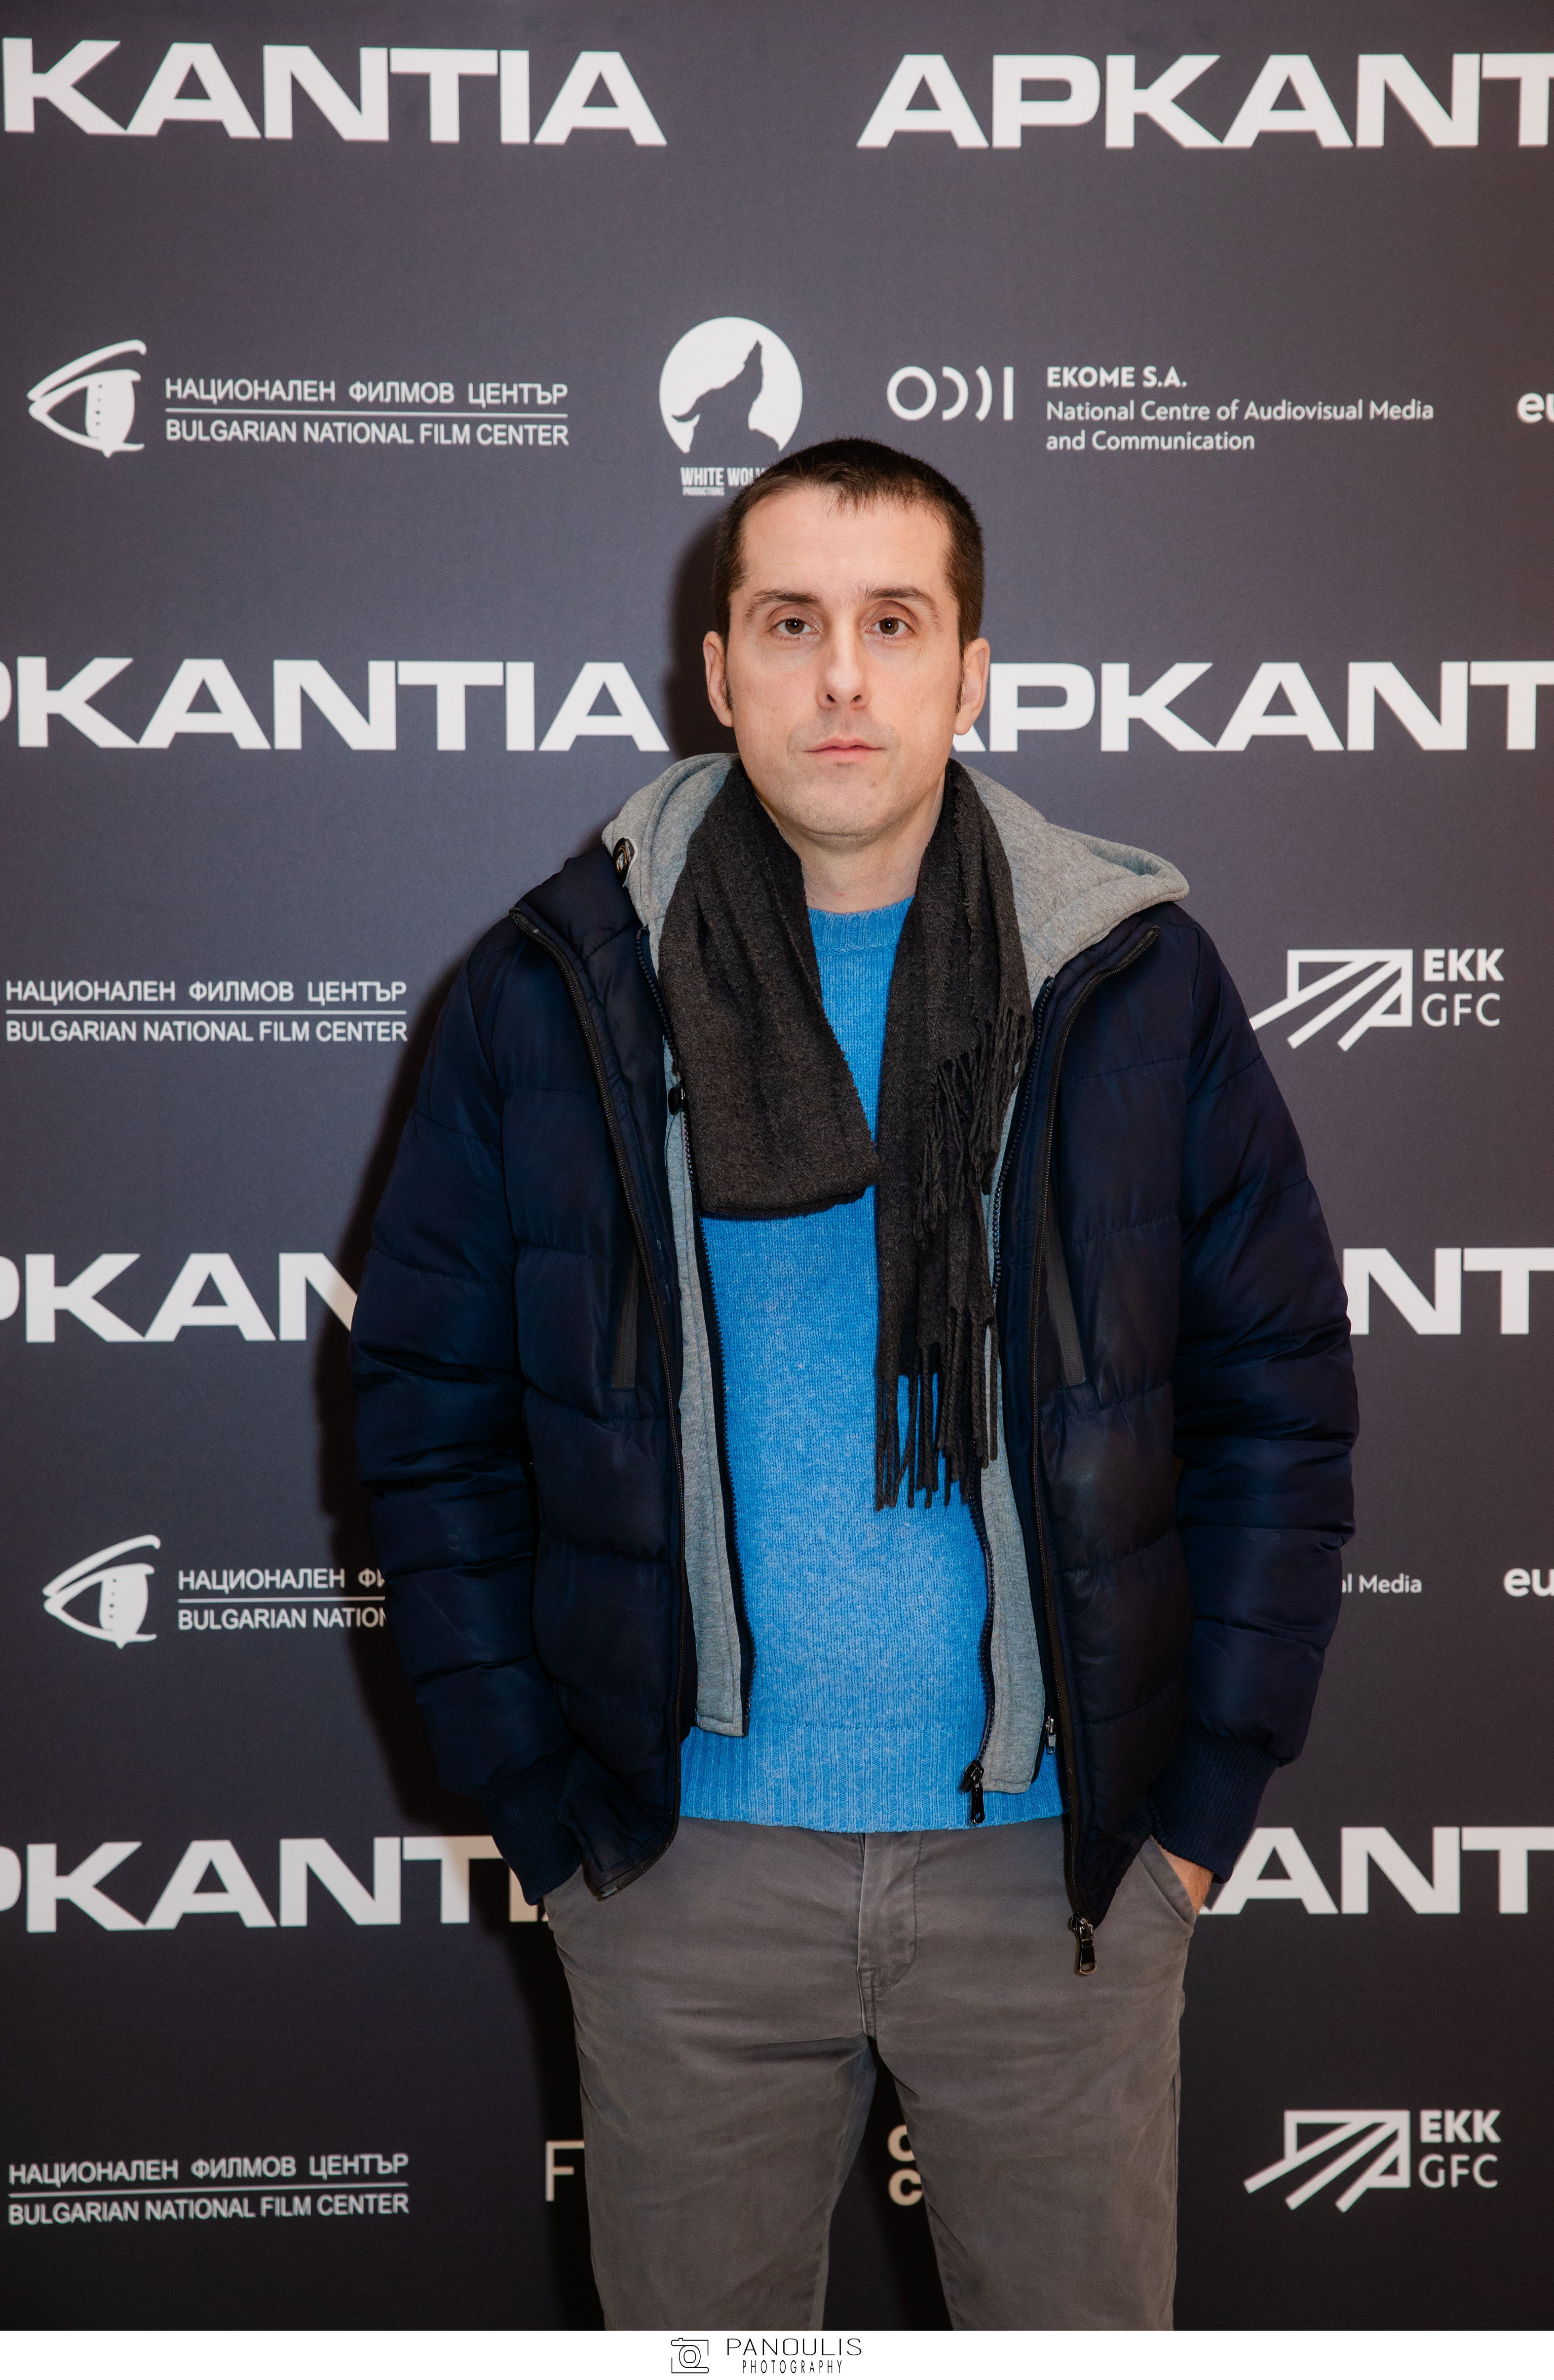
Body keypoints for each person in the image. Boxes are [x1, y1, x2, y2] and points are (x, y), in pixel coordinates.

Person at [351, 438, 1356, 2329]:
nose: (839, 676)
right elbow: (429, 1414)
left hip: (1056, 1875)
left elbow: (1276, 1403)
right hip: (679, 1873)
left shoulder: (1130, 980)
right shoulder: (558, 987)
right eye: (789, 623)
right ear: (718, 670)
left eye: (892, 625)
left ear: (968, 672)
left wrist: (1195, 1820)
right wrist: (551, 1825)